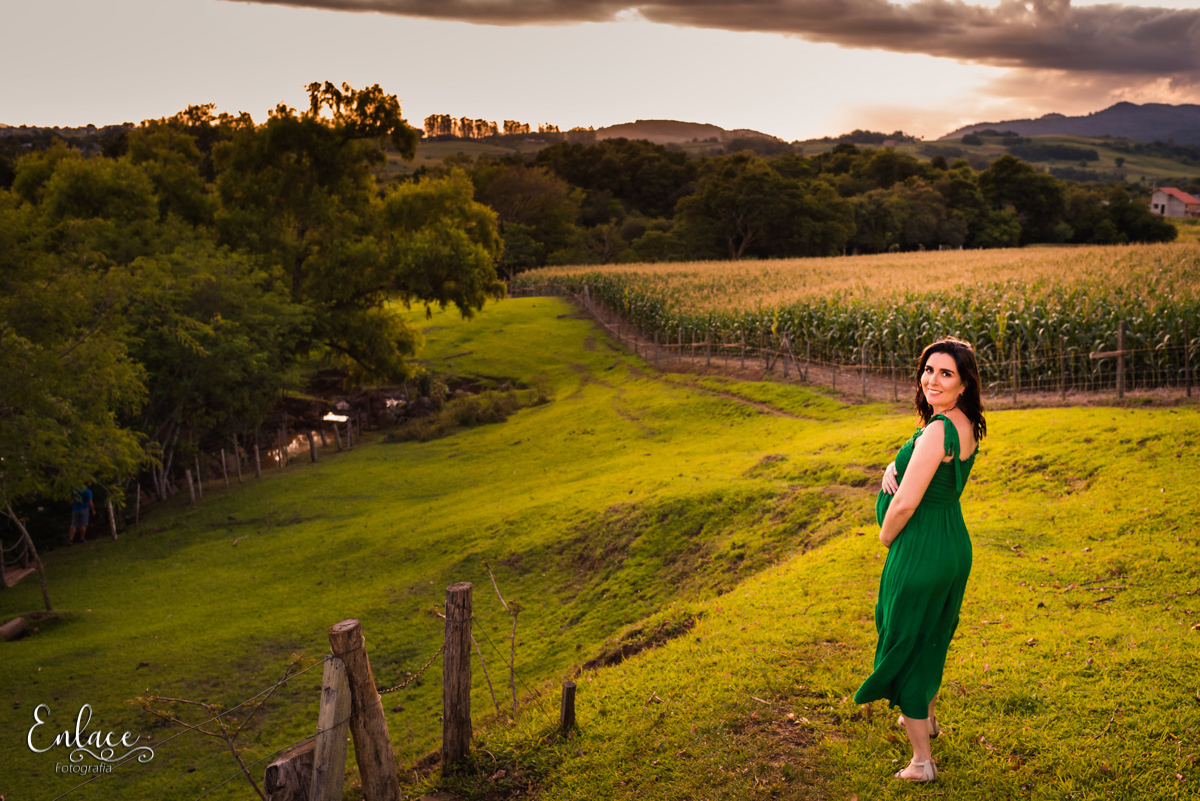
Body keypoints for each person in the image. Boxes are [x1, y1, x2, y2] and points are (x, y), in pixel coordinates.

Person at [853, 337, 987, 782]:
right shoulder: (964, 423)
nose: (932, 379)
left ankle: (921, 762)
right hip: (951, 543)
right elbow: (927, 473)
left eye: (945, 373)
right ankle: (925, 717)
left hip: (923, 546)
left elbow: (907, 503)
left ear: (964, 383)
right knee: (931, 633)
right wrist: (895, 465)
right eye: (928, 369)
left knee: (904, 641)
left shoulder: (938, 431)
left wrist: (886, 534)